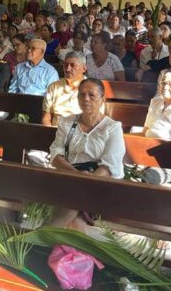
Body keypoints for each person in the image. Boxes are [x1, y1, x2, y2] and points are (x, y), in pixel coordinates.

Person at [48, 78, 126, 227]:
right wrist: (77, 175)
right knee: (75, 218)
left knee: (77, 195)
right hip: (70, 175)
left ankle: (43, 233)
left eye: (92, 95)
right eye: (82, 95)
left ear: (102, 99)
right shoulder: (67, 122)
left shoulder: (112, 128)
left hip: (99, 181)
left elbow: (110, 165)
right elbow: (55, 154)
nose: (86, 99)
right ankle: (48, 235)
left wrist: (86, 180)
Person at [41, 52, 89, 126]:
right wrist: (48, 131)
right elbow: (46, 118)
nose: (68, 69)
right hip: (55, 129)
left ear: (84, 68)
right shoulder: (54, 87)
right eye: (65, 65)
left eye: (73, 65)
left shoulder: (91, 88)